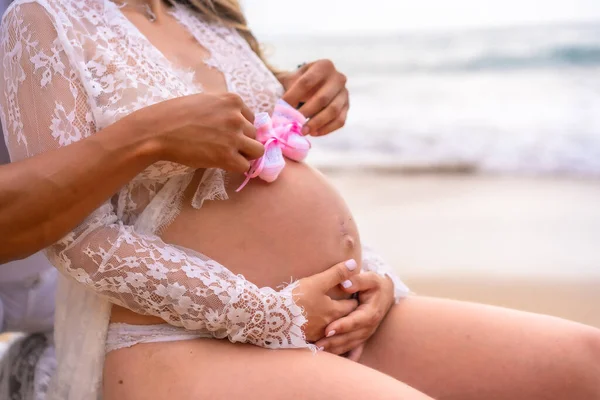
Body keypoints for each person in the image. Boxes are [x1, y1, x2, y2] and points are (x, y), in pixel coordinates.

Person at [1, 1, 599, 399]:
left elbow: (274, 180)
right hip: (177, 335)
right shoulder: (40, 18)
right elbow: (80, 240)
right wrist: (274, 314)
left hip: (329, 314)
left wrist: (368, 278)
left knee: (584, 361)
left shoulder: (208, 14)